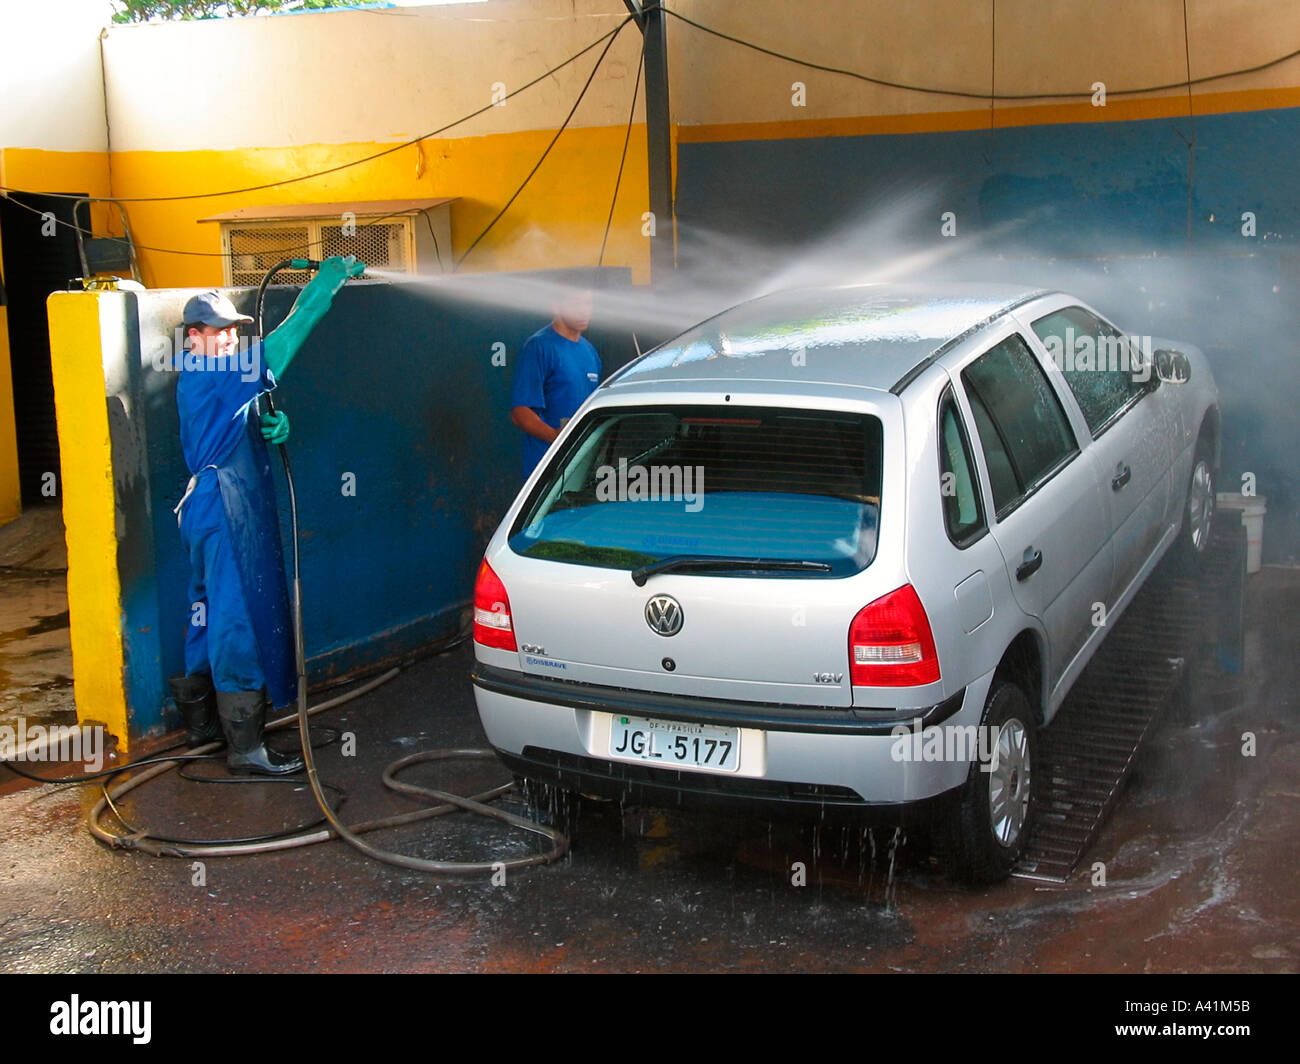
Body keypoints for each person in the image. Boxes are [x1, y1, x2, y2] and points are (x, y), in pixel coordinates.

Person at [168, 256, 364, 775]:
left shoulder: (205, 375)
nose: (230, 338)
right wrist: (322, 290)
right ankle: (245, 746)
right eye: (219, 331)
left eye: (234, 330)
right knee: (235, 619)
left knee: (204, 610)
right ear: (193, 336)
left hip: (205, 509)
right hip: (225, 512)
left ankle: (203, 728)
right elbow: (282, 343)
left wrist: (267, 425)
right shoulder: (211, 370)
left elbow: (233, 422)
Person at [509, 286, 601, 478]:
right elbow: (519, 413)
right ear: (557, 307)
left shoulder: (590, 351)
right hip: (547, 471)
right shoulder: (538, 347)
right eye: (576, 304)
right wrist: (558, 438)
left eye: (588, 304)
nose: (584, 311)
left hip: (582, 467)